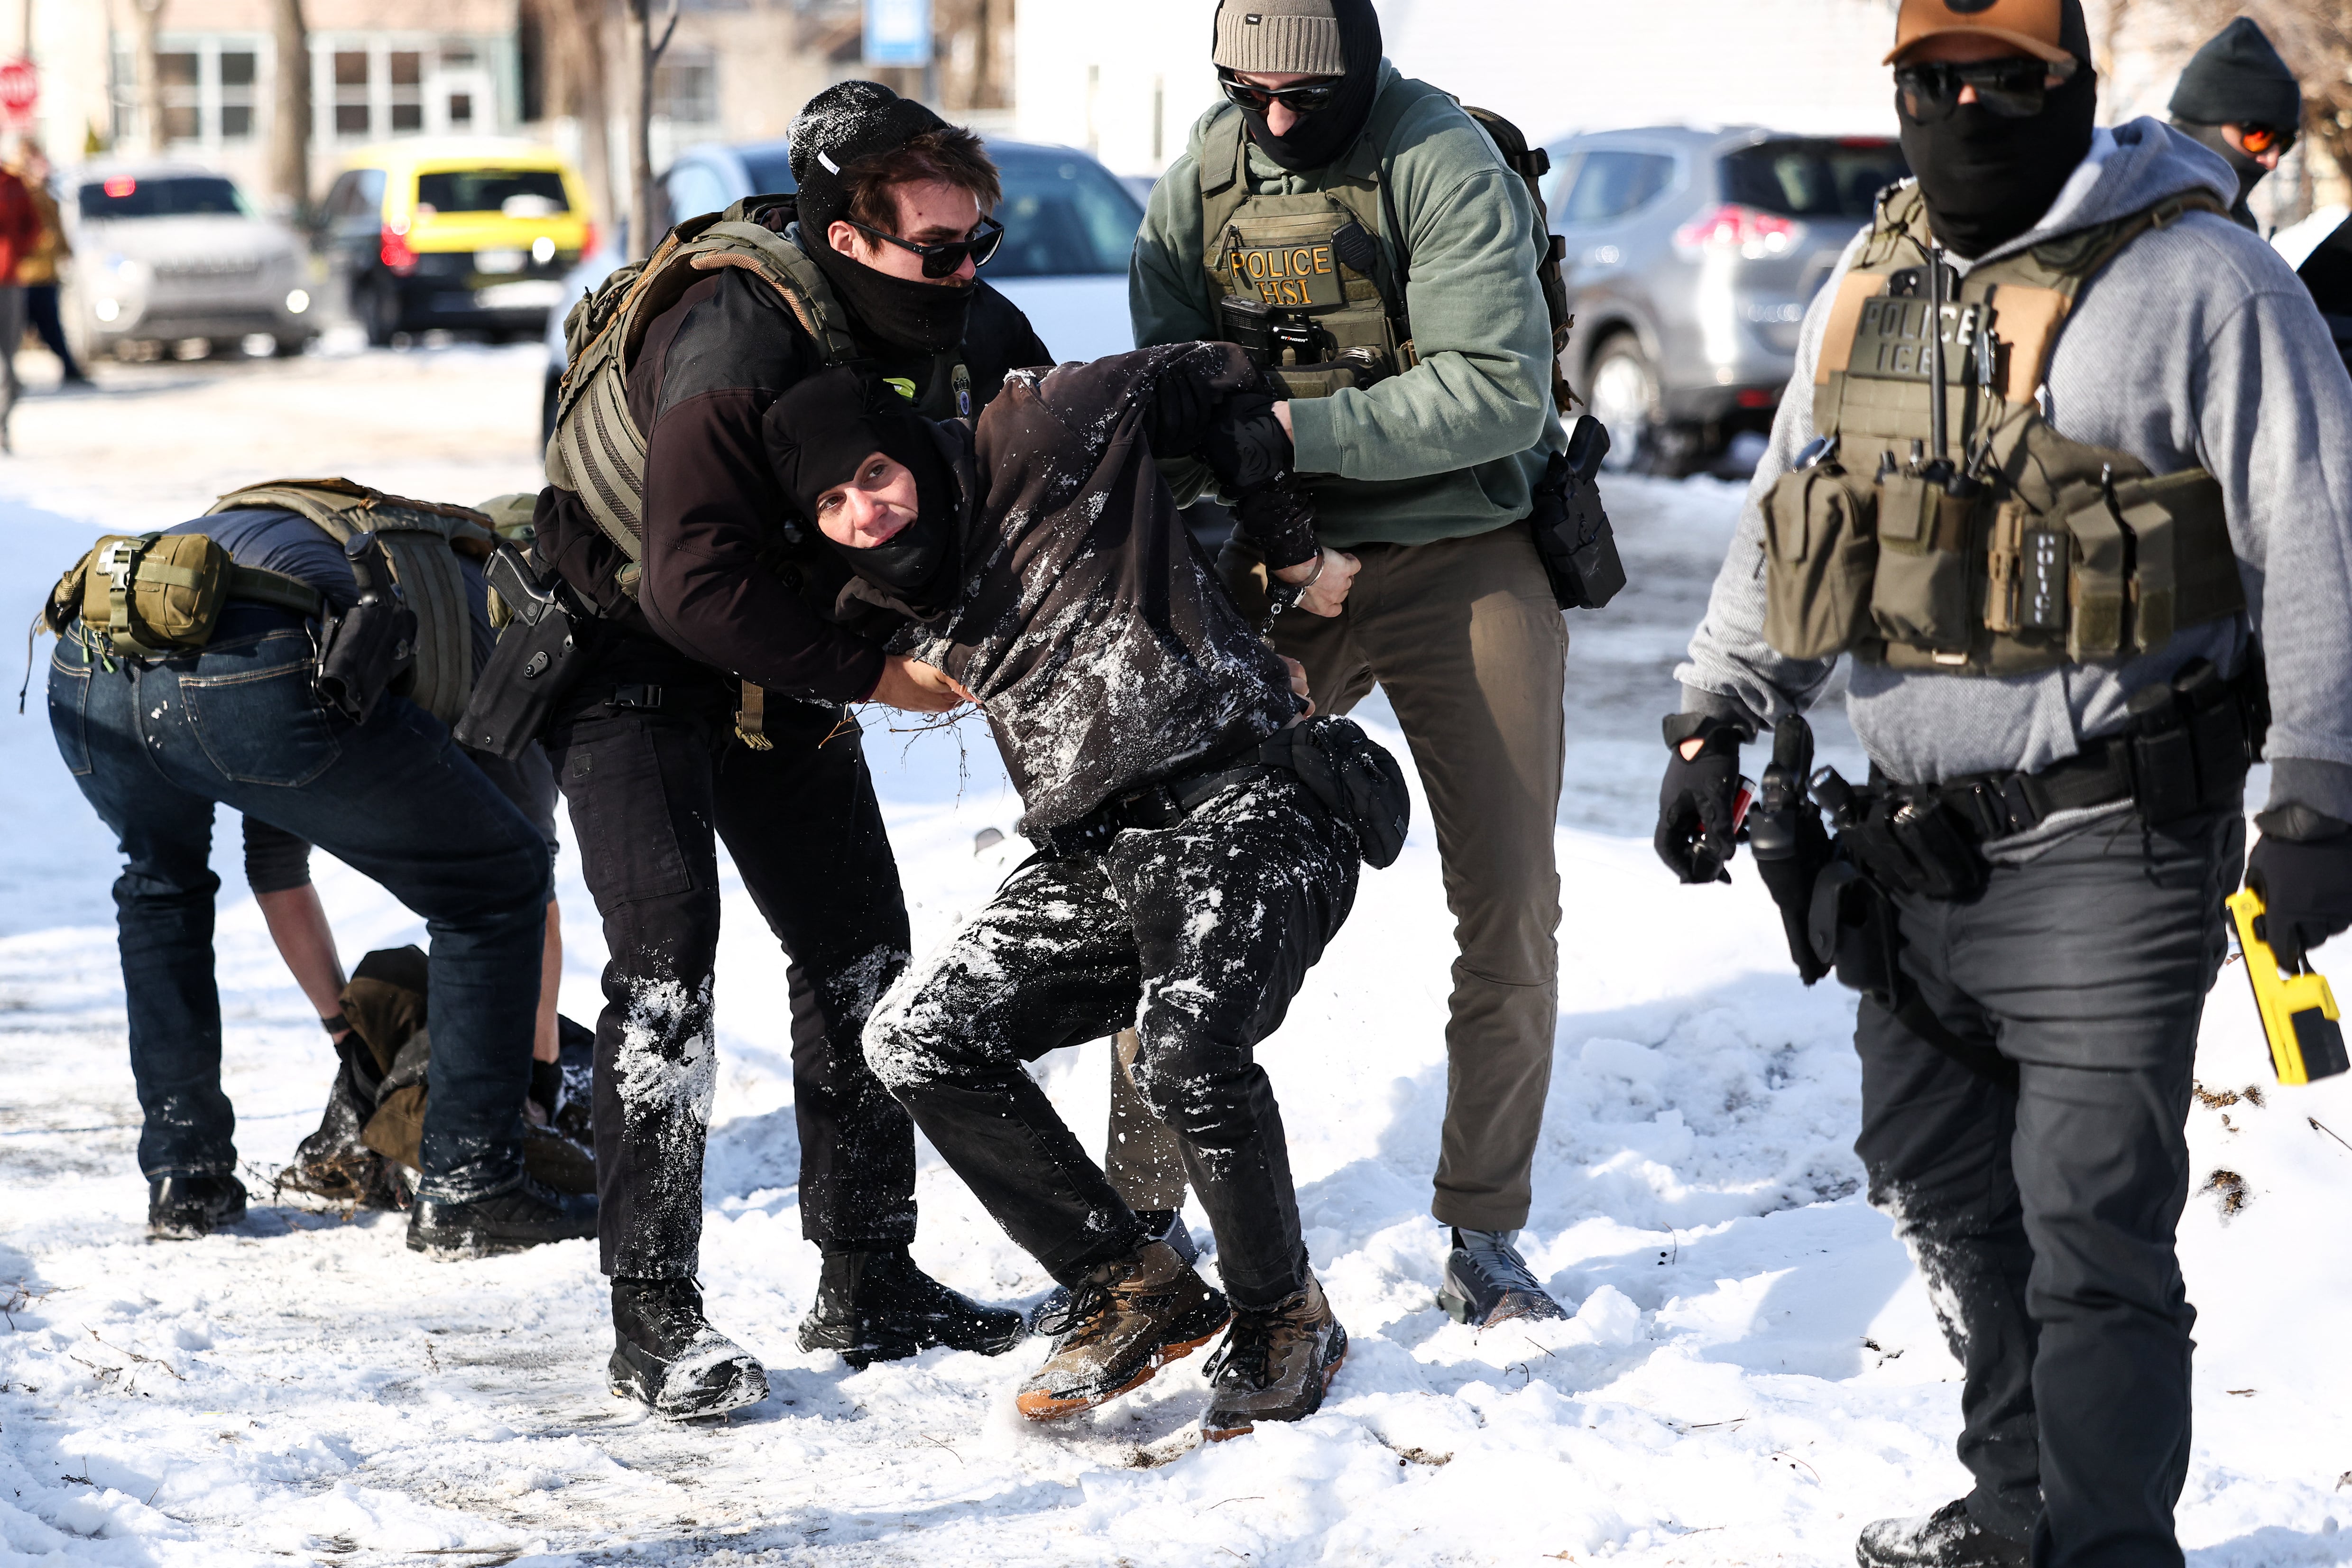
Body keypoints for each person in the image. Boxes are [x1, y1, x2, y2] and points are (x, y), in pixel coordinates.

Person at [1653, 1, 2352, 1564]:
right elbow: (1791, 510)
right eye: (1928, 83)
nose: (1962, 110)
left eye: (2002, 82)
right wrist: (1711, 711)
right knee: (1937, 1183)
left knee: (2088, 1231)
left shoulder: (2196, 275)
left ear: (2071, 87)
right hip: (1908, 857)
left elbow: (2318, 532)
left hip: (2111, 840)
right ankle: (2015, 1505)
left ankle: (2103, 1550)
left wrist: (2317, 786)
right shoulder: (1875, 274)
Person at [531, 80, 1046, 1420]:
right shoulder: (728, 347)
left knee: (859, 951)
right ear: (843, 235)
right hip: (628, 656)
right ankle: (654, 1316)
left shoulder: (942, 313)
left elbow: (1045, 426)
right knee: (666, 974)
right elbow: (693, 593)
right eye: (938, 252)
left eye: (978, 239)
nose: (966, 271)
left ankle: (868, 1273)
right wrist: (883, 675)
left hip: (783, 658)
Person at [821, 339, 1393, 1441]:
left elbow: (1226, 376)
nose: (864, 512)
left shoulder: (1037, 429)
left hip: (1251, 800)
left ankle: (1286, 1316)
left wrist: (1283, 548)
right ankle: (1133, 1283)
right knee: (915, 1037)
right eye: (834, 502)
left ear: (908, 452)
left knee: (1184, 1045)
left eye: (873, 478)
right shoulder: (876, 588)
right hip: (1100, 850)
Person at [1127, 0, 1575, 1328]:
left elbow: (1499, 387)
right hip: (1279, 560)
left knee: (1506, 897)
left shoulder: (1438, 159)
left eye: (1298, 98)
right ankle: (1141, 1222)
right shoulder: (1204, 177)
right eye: (1241, 91)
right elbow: (1162, 393)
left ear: (1358, 71)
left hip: (1459, 547)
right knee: (1160, 870)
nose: (1270, 120)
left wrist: (1277, 427)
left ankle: (1484, 1230)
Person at [41, 501, 592, 1256]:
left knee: (161, 884)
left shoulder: (380, 550)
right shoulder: (506, 625)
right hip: (251, 654)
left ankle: (187, 1177)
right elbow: (529, 892)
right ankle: (472, 1186)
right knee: (496, 884)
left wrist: (348, 1032)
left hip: (94, 657)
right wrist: (537, 1072)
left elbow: (276, 863)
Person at [2167, 17, 2301, 233]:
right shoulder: (2124, 207)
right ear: (2203, 121)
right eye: (2260, 135)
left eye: (2285, 142)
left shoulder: (2238, 220)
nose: (2272, 161)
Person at [11, 142, 86, 386]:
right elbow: (27, 233)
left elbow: (54, 225)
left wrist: (64, 249)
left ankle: (70, 367)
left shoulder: (42, 190)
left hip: (43, 272)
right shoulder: (20, 190)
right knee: (25, 328)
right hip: (23, 273)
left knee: (50, 325)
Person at [0, 158, 39, 447]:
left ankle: (3, 423)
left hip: (9, 280)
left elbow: (33, 226)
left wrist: (16, 250)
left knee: (7, 358)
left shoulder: (12, 185)